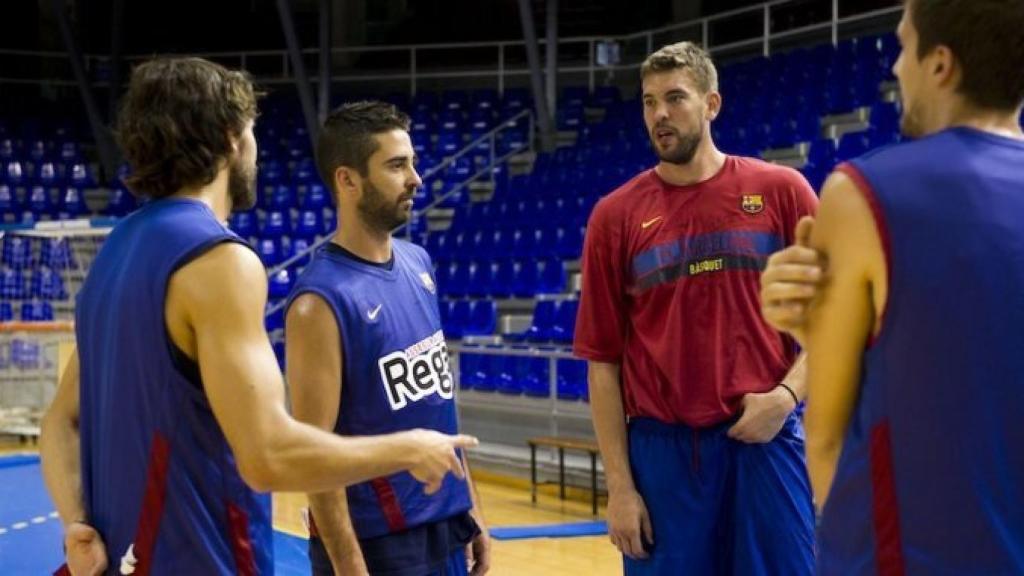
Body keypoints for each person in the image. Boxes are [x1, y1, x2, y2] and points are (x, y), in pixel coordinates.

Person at [39, 58, 477, 576]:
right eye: (251, 132)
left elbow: (59, 424)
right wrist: (405, 449)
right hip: (201, 560)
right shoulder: (219, 260)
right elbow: (268, 456)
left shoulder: (115, 252)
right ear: (229, 138)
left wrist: (75, 522)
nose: (255, 149)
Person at [761, 0, 1024, 572]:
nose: (896, 68)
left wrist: (818, 333)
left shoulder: (862, 193)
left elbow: (825, 440)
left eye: (905, 47)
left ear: (940, 65)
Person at [573, 41, 818, 575]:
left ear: (711, 104)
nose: (660, 114)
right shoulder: (615, 217)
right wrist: (619, 488)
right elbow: (603, 364)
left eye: (675, 98)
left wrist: (785, 396)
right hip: (662, 457)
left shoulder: (782, 192)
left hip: (765, 444)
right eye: (648, 101)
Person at [285, 101, 490, 576]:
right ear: (348, 180)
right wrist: (350, 567)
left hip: (446, 525)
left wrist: (470, 507)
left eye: (412, 162)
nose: (416, 178)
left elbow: (440, 404)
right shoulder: (318, 301)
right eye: (397, 166)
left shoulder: (419, 263)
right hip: (378, 543)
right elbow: (315, 457)